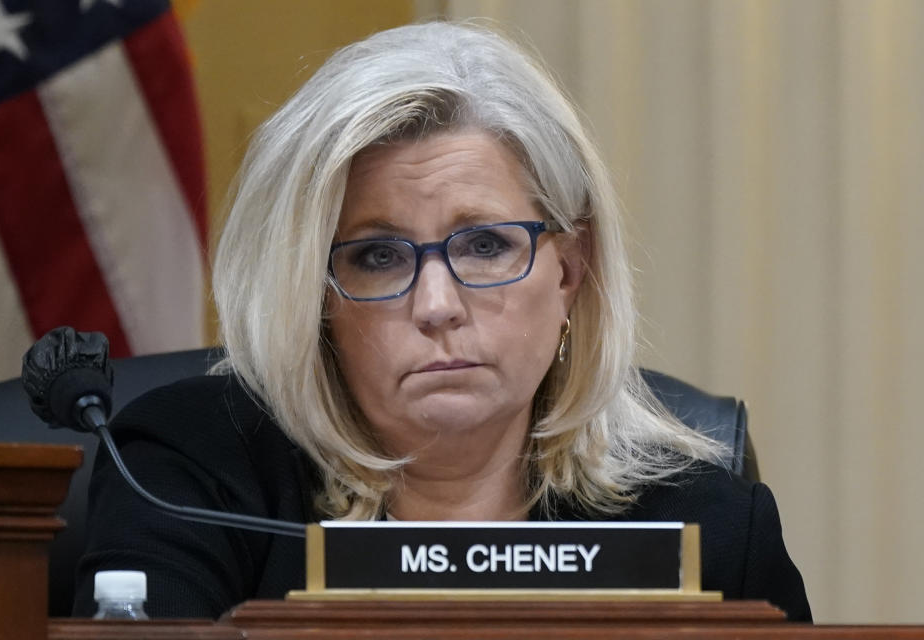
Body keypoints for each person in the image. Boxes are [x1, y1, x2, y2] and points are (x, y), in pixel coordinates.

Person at [73, 21, 811, 621]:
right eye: (378, 256)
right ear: (316, 292)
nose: (435, 306)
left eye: (486, 245)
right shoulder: (184, 475)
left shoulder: (703, 527)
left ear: (570, 270)